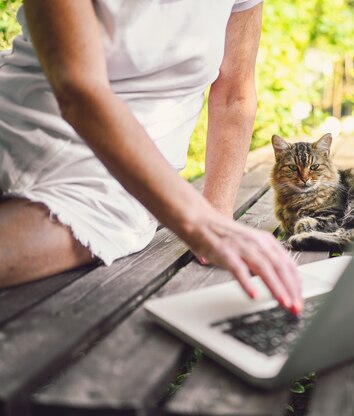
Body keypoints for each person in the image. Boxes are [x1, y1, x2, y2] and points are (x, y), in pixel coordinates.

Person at [0, 0, 302, 314]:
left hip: (117, 182)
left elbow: (234, 92)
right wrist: (202, 223)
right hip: (18, 114)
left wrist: (218, 217)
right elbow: (78, 89)